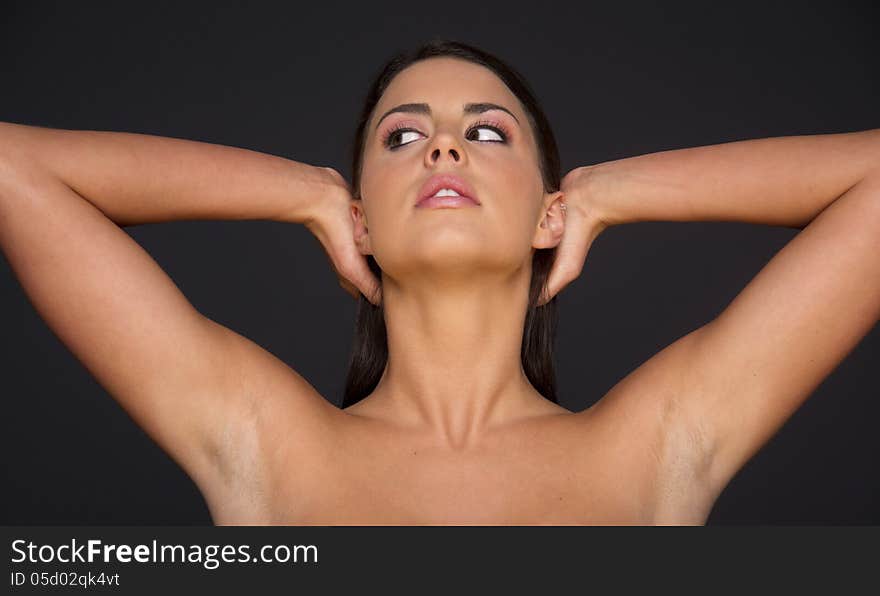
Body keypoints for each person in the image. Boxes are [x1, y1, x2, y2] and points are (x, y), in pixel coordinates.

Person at [1, 38, 878, 525]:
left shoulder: (662, 442)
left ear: (549, 214)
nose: (444, 147)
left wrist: (615, 191)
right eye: (401, 137)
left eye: (489, 133)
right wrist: (302, 193)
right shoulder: (260, 441)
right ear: (362, 221)